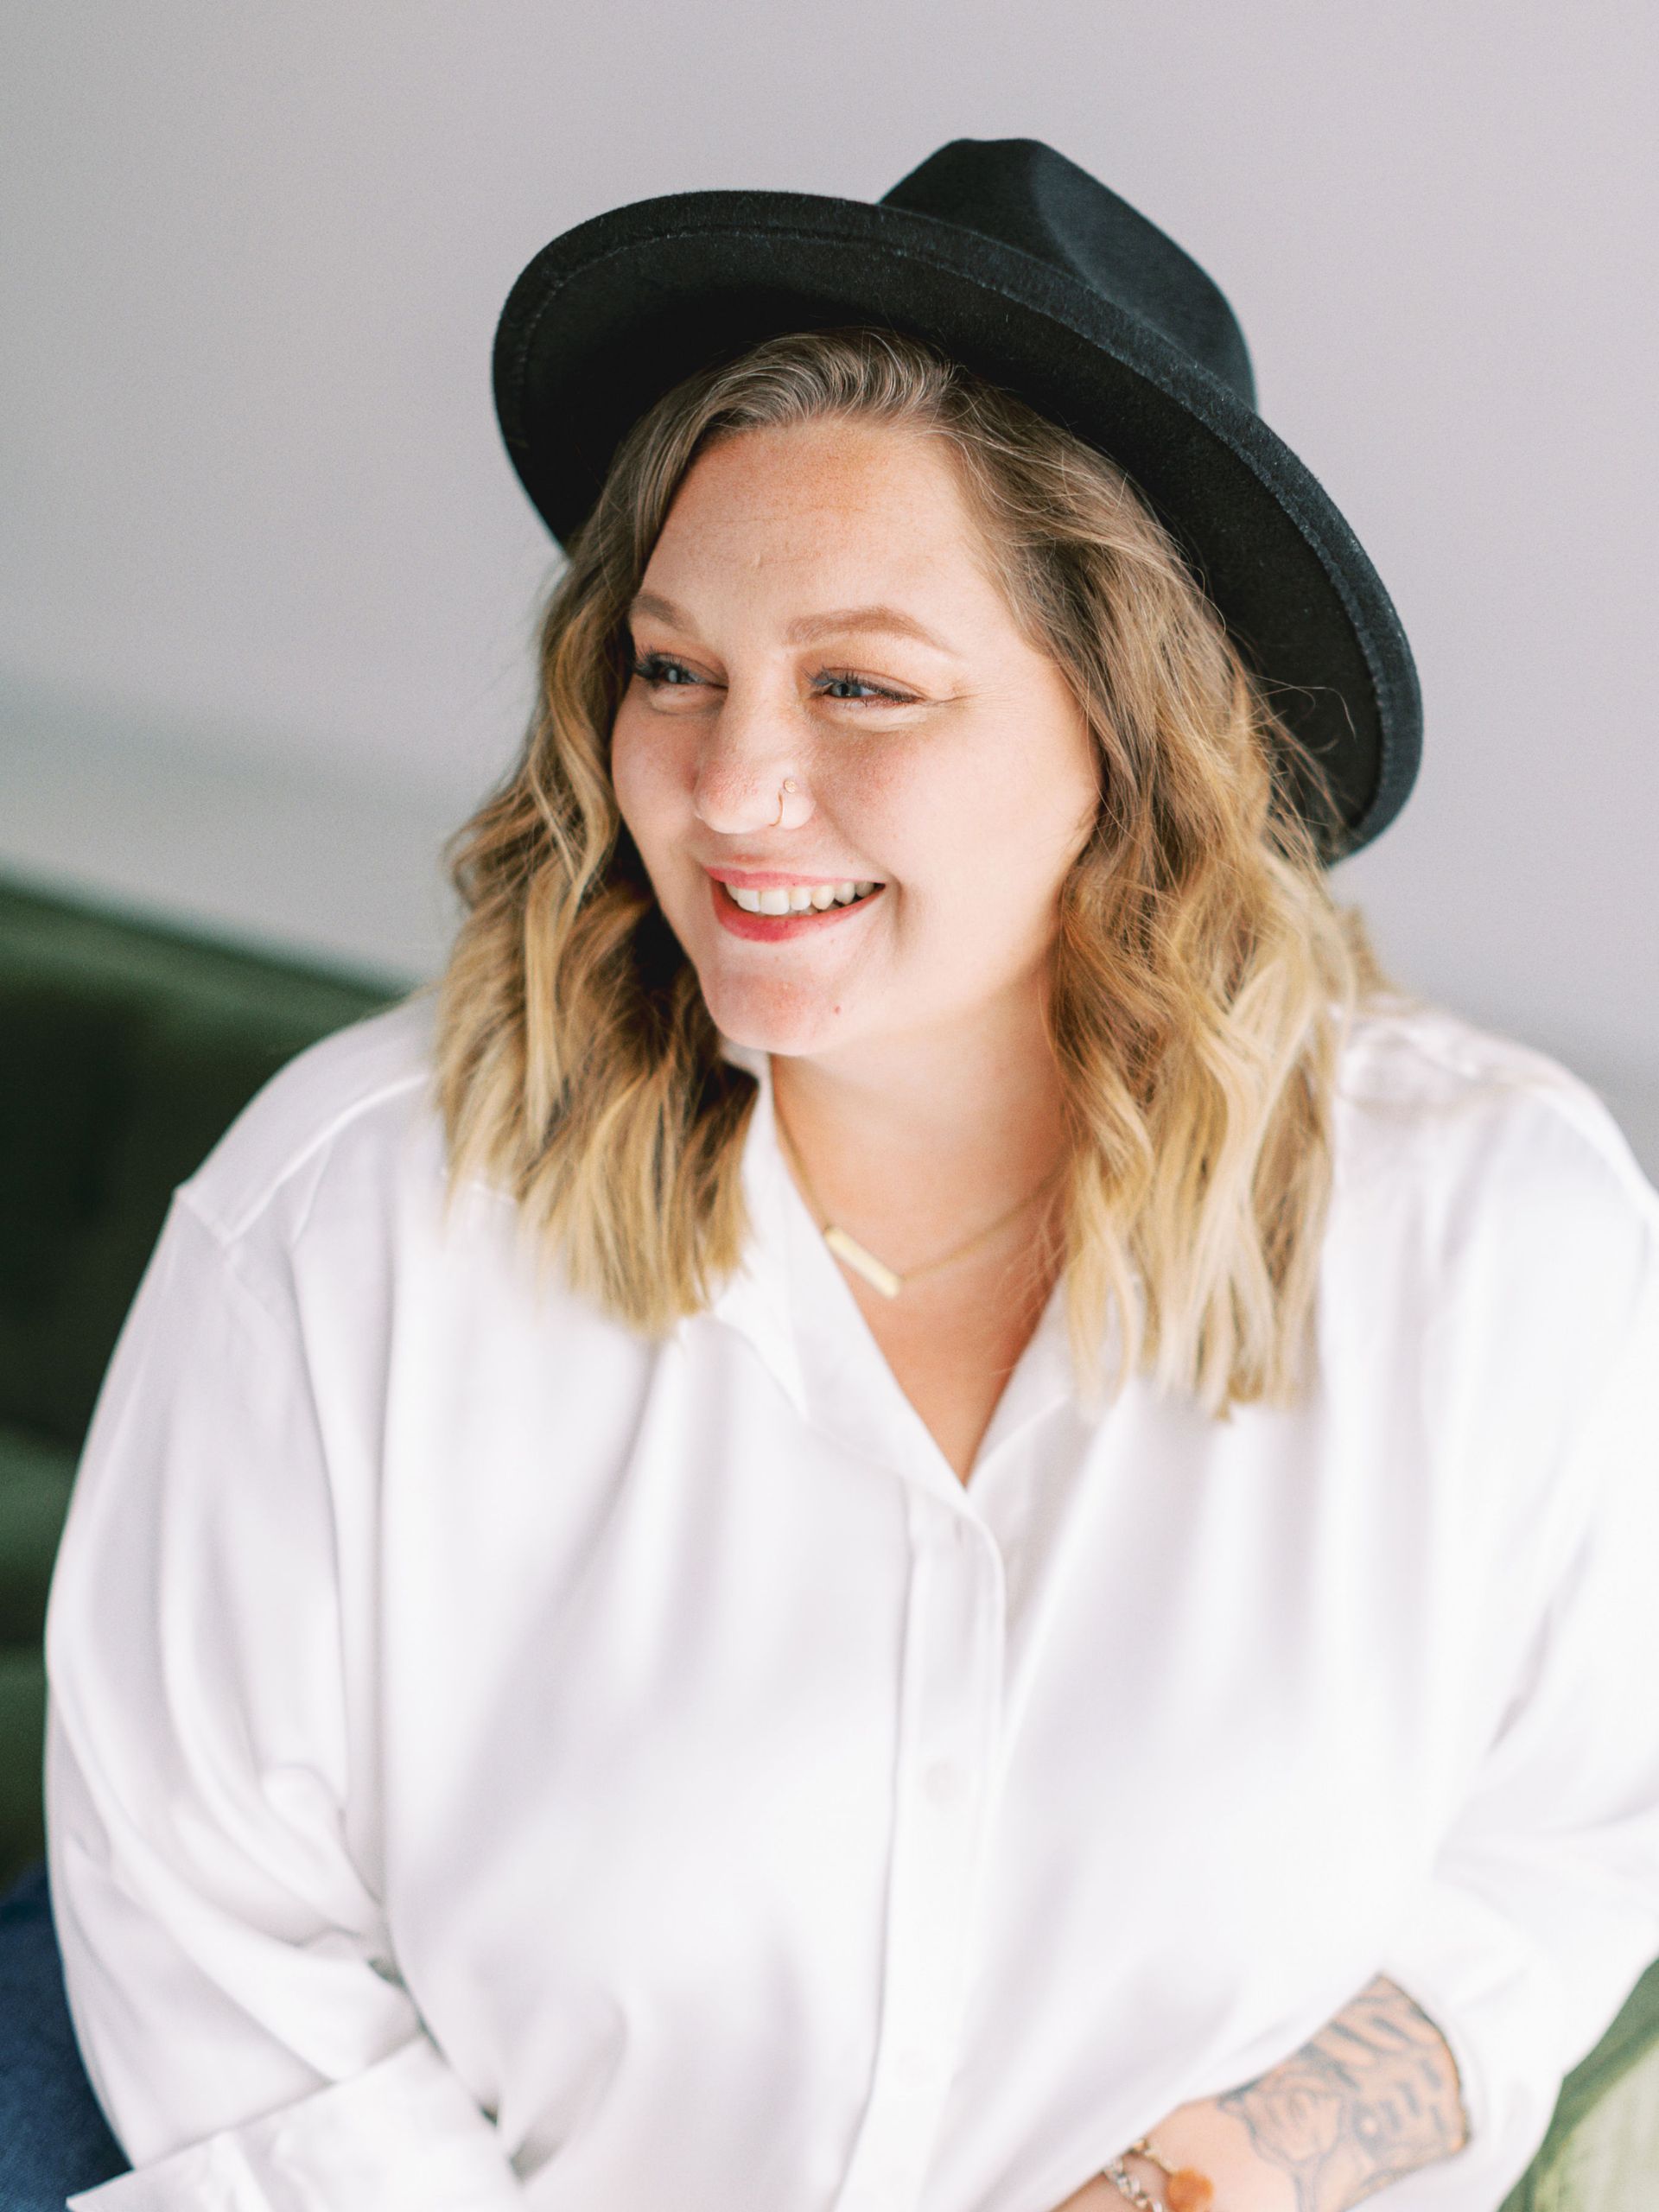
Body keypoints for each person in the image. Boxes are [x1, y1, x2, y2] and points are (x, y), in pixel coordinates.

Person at [33, 137, 1659, 2212]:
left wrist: (1228, 2166)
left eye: (864, 687)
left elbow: (1577, 1825)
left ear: (1135, 734)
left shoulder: (1502, 1244)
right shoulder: (352, 1226)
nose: (725, 787)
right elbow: (215, 1944)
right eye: (673, 665)